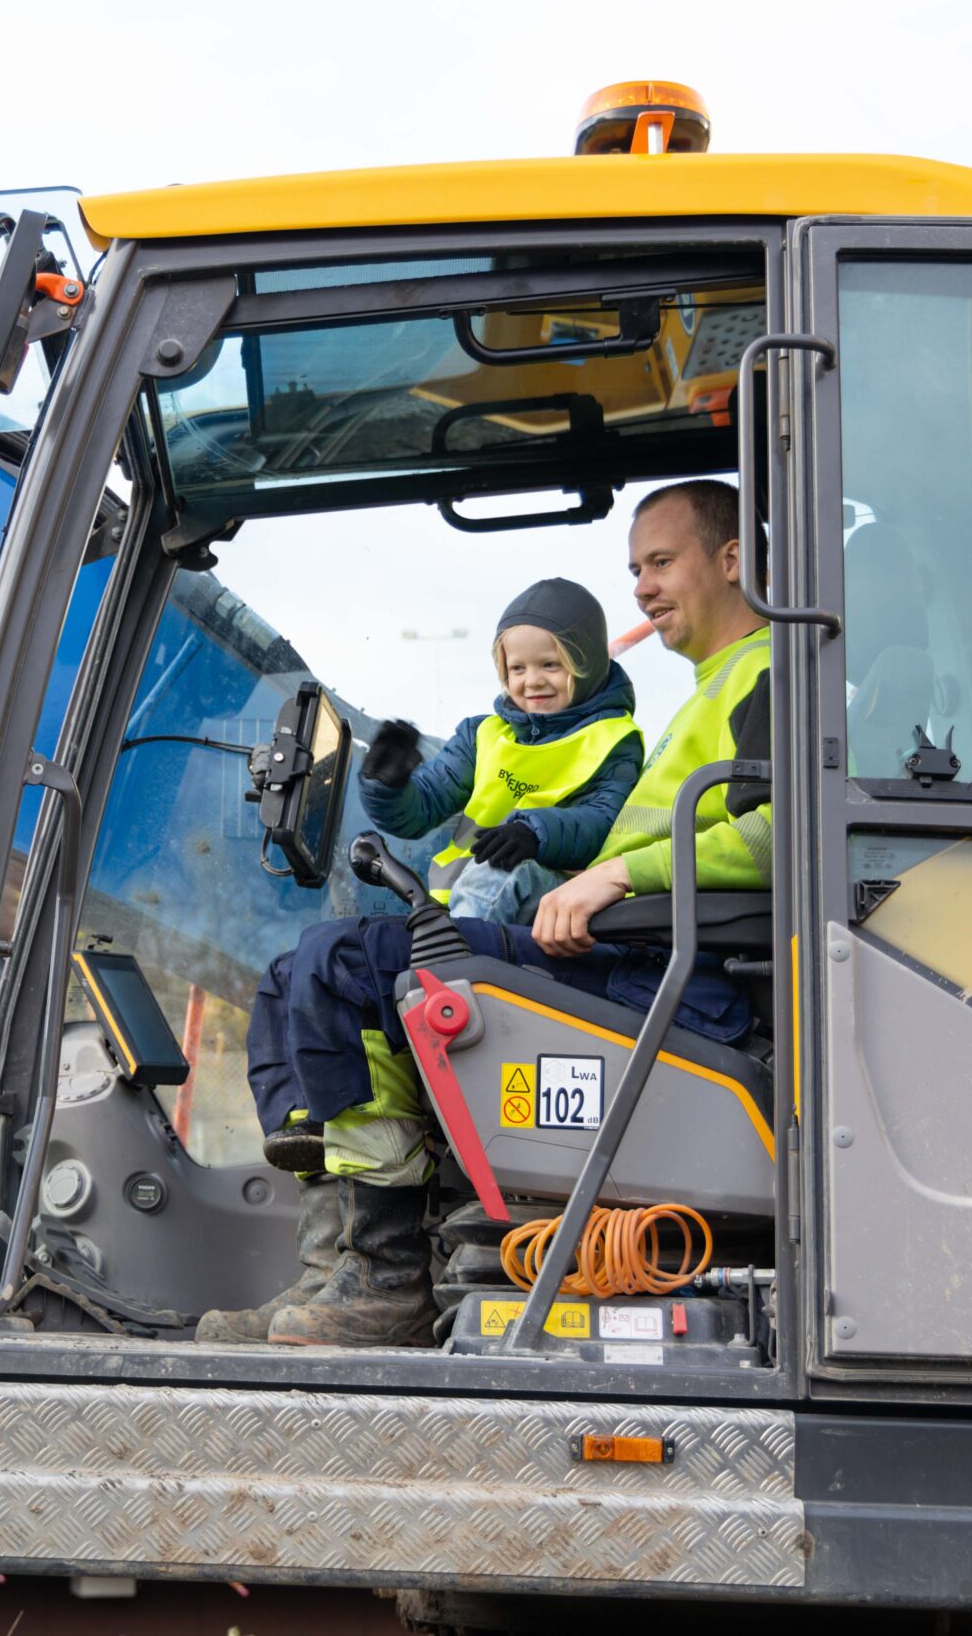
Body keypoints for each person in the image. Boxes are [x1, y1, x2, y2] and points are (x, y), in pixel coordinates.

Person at [200, 479, 773, 1348]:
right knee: (300, 972)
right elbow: (428, 802)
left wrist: (614, 874)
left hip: (656, 977)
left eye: (662, 562)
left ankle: (383, 1280)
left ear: (732, 560)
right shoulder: (703, 693)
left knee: (343, 966)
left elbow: (782, 834)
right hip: (620, 954)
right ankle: (336, 1266)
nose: (644, 588)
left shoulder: (768, 675)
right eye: (635, 570)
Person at [358, 577, 642, 924]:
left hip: (554, 904)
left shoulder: (614, 740)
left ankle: (455, 964)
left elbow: (602, 819)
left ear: (587, 665)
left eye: (550, 664)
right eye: (517, 668)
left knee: (501, 875)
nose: (532, 680)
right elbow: (422, 809)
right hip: (454, 908)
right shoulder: (482, 735)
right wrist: (386, 788)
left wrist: (534, 832)